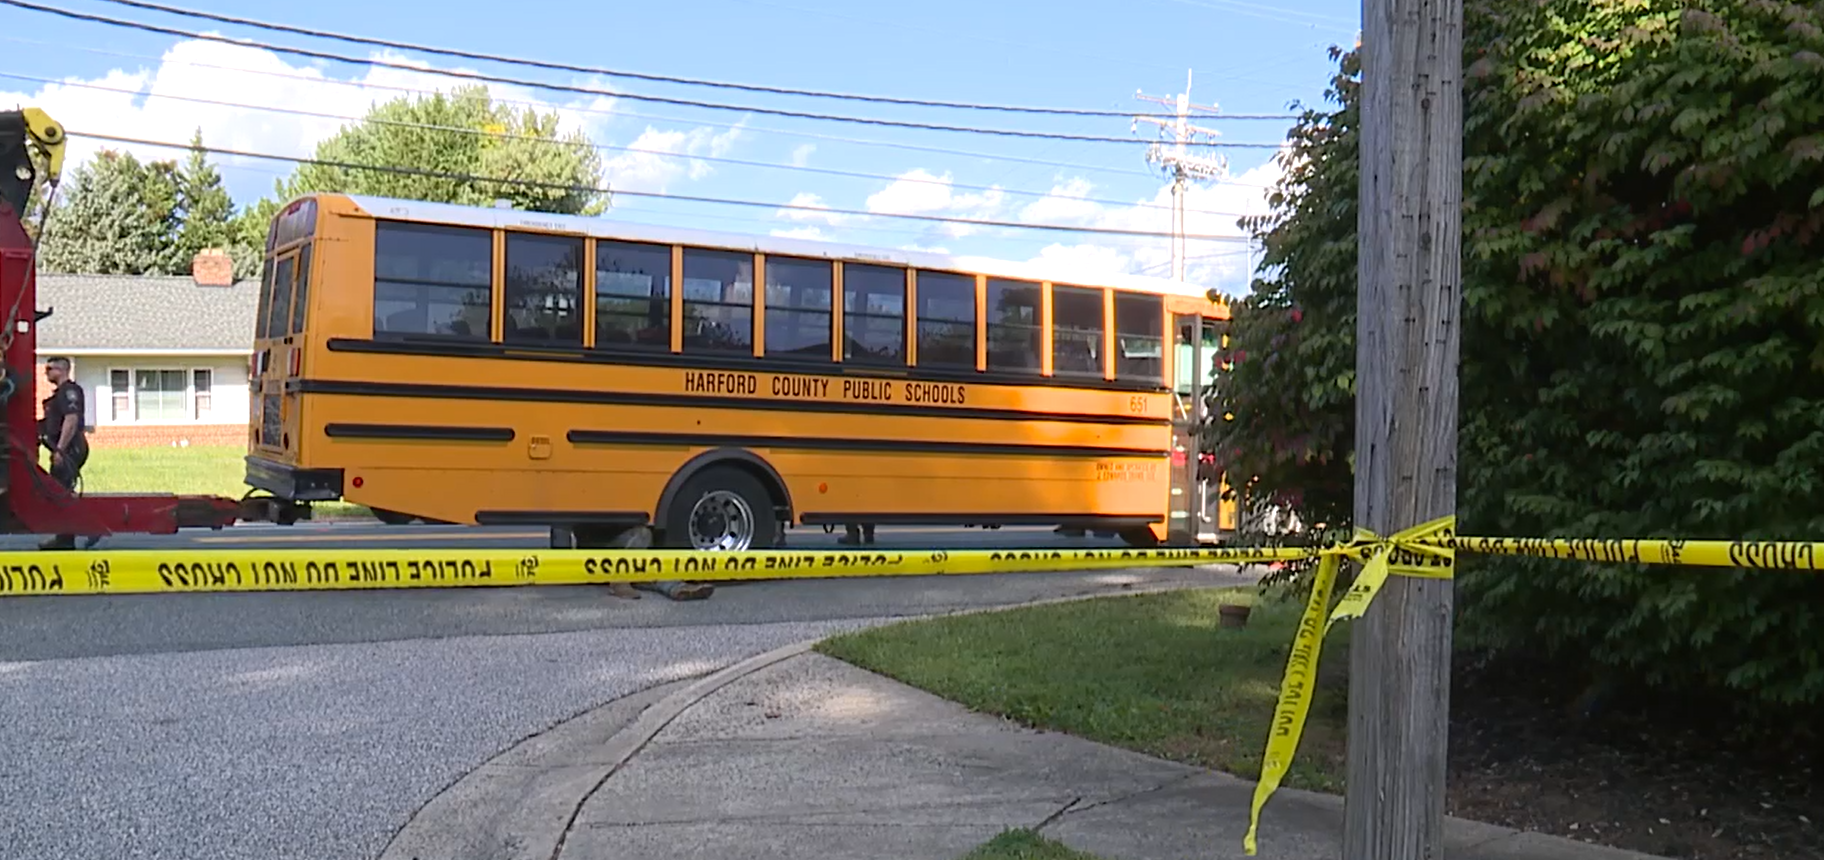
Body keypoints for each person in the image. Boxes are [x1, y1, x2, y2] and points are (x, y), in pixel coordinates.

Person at [38, 357, 89, 550]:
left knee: (61, 493)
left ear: (61, 370)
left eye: (49, 369)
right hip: (62, 448)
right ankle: (64, 537)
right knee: (58, 490)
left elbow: (71, 420)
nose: (46, 372)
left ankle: (68, 539)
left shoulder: (69, 391)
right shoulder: (58, 395)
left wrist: (60, 449)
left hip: (71, 447)